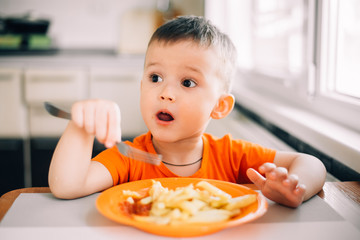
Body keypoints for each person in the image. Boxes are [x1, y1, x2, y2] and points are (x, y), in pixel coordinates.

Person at [48, 16, 326, 208]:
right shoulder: (129, 158)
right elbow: (67, 186)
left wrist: (293, 190)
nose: (165, 92)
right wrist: (81, 125)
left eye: (187, 82)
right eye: (155, 78)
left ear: (219, 106)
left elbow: (312, 163)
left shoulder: (231, 155)